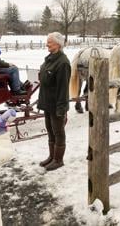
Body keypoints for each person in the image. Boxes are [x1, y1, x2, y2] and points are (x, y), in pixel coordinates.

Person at [37, 32, 71, 171]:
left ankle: (58, 160)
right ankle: (52, 157)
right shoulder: (50, 59)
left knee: (58, 133)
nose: (47, 44)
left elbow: (63, 89)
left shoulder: (63, 63)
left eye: (49, 42)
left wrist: (61, 109)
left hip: (57, 105)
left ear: (58, 44)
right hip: (47, 103)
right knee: (50, 131)